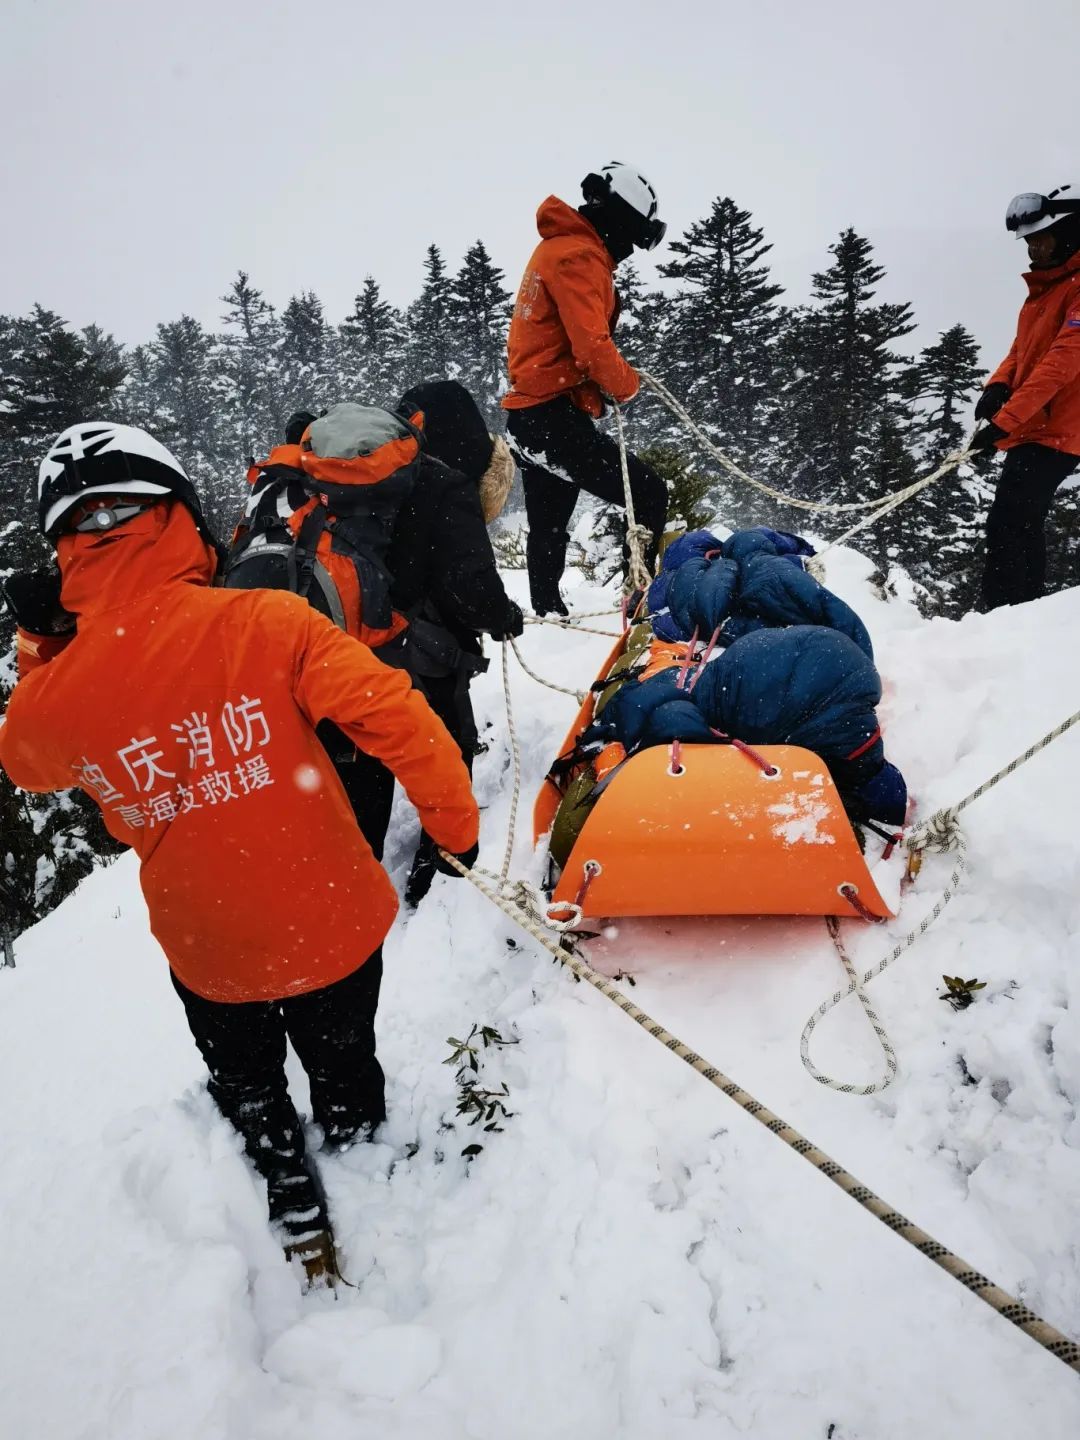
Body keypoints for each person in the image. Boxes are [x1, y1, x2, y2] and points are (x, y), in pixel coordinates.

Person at [0, 421, 479, 1285]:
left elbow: (26, 765)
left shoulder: (57, 694)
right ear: (184, 517)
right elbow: (404, 721)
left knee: (246, 1077)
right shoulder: (265, 619)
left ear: (64, 551)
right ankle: (354, 1139)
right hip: (332, 919)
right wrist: (454, 828)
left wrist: (45, 650)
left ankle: (281, 1172)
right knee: (342, 1054)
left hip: (208, 946)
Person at [503, 162, 670, 616]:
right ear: (620, 220)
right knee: (650, 494)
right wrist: (626, 385)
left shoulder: (557, 248)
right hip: (551, 416)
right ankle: (646, 602)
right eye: (634, 238)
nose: (628, 252)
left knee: (550, 523)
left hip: (529, 415)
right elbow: (592, 347)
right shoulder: (580, 255)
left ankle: (548, 610)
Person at [391, 379, 523, 904]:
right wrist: (503, 616)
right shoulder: (444, 485)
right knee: (447, 742)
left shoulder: (382, 475)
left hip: (350, 638)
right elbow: (469, 581)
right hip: (419, 645)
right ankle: (444, 854)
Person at [972, 183, 1080, 609]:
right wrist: (997, 386)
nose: (1033, 250)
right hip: (1036, 426)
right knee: (1011, 521)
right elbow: (1022, 351)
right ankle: (1010, 612)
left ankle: (1010, 613)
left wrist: (1004, 421)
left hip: (1063, 429)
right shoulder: (1045, 289)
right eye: (1029, 242)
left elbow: (1062, 362)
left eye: (1042, 239)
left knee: (1013, 519)